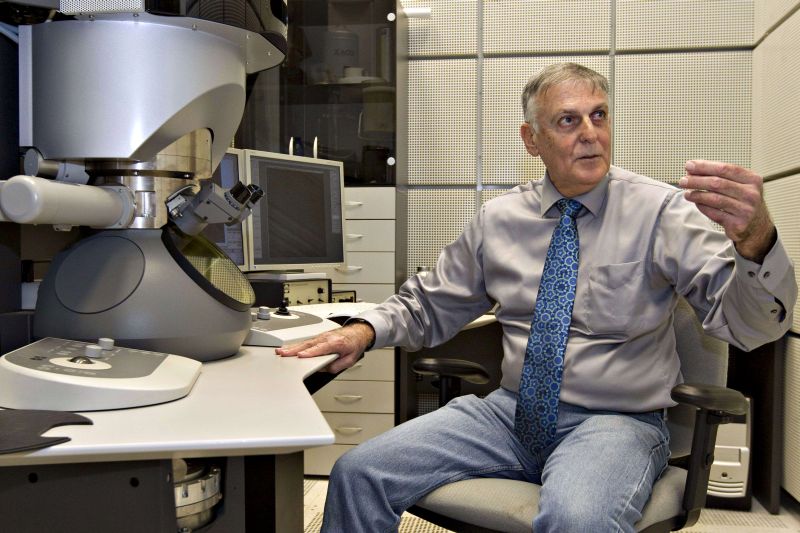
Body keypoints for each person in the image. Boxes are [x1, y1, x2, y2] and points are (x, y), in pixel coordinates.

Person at [277, 62, 797, 532]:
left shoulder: (663, 213)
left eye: (599, 115)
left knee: (575, 518)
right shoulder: (499, 221)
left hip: (615, 422)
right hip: (511, 413)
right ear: (532, 139)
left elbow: (753, 326)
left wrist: (756, 243)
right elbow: (429, 304)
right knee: (358, 471)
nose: (591, 134)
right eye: (568, 121)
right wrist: (364, 330)